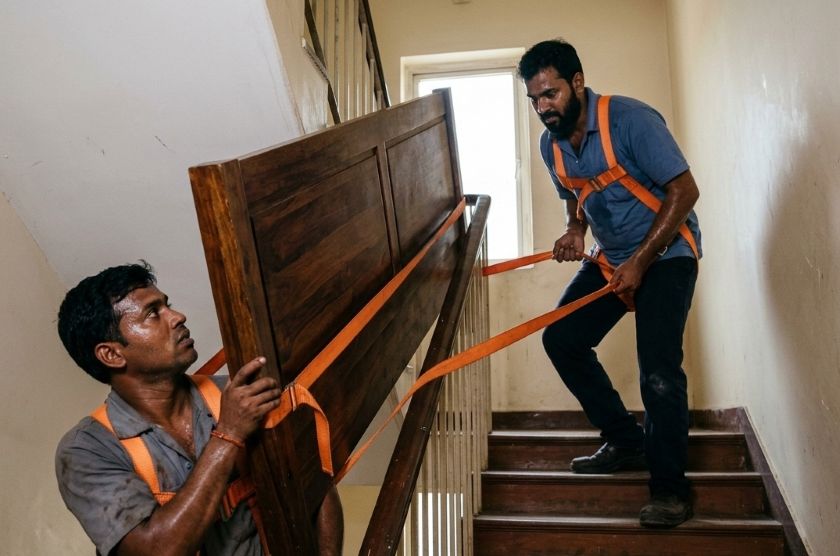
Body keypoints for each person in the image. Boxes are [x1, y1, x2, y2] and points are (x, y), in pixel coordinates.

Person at [518, 39, 702, 528]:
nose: (543, 108)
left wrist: (642, 261)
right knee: (562, 339)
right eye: (534, 99)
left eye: (551, 94)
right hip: (613, 258)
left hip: (667, 253)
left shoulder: (630, 120)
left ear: (578, 82)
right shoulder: (549, 145)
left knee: (658, 370)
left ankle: (670, 491)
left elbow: (685, 191)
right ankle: (625, 442)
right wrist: (575, 230)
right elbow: (575, 195)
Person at [55, 261, 343, 555]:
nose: (178, 317)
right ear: (112, 355)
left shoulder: (237, 395)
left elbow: (316, 486)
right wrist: (229, 434)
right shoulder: (87, 450)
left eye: (168, 306)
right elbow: (156, 550)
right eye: (153, 313)